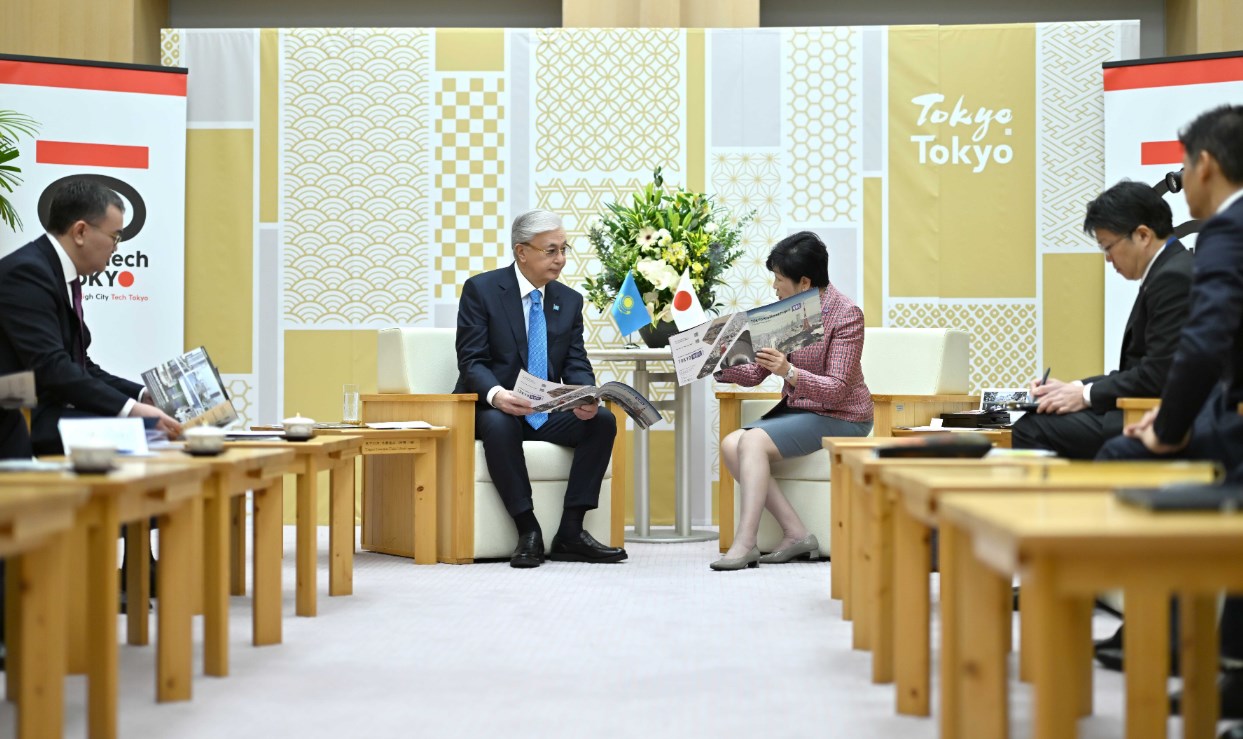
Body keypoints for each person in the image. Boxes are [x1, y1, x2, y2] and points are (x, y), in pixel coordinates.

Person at [1094, 105, 1243, 736]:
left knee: (1128, 457)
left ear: (1204, 164)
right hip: (1224, 410)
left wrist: (1167, 426)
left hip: (1229, 427)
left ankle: (1160, 633)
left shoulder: (1226, 231)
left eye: (1183, 164)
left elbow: (1204, 344)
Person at [455, 209, 626, 569]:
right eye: (551, 251)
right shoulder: (482, 290)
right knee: (500, 424)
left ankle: (571, 532)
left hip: (542, 409)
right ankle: (528, 530)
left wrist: (584, 396)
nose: (560, 259)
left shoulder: (569, 300)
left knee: (602, 421)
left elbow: (575, 361)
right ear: (522, 252)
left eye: (564, 249)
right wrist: (498, 395)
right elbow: (472, 361)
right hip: (493, 406)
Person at [712, 231, 873, 571]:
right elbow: (756, 373)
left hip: (843, 415)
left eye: (779, 279)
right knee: (730, 444)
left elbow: (837, 389)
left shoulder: (846, 315)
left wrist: (789, 371)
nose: (774, 287)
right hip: (801, 411)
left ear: (804, 282)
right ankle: (797, 534)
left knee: (751, 441)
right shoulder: (787, 313)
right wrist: (717, 362)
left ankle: (745, 543)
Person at [1012, 181, 1193, 458]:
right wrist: (1075, 387)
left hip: (1158, 418)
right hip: (1143, 408)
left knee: (1031, 428)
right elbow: (1144, 368)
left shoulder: (1173, 278)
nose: (1108, 259)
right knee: (1038, 418)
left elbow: (1158, 375)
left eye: (1108, 246)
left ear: (1143, 235)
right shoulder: (1167, 270)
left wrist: (1085, 395)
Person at [0, 179, 181, 453]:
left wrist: (142, 396)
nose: (116, 248)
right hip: (18, 420)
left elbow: (82, 367)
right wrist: (131, 410)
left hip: (49, 414)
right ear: (80, 232)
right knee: (145, 434)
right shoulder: (26, 273)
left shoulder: (58, 274)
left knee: (152, 431)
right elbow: (52, 368)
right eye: (115, 237)